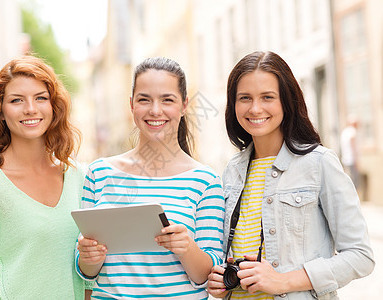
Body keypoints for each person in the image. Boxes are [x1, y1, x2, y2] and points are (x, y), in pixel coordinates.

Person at [207, 51, 374, 299]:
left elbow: (361, 256)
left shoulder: (319, 163)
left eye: (267, 97)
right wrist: (219, 280)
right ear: (233, 105)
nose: (255, 108)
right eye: (245, 98)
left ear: (286, 101)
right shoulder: (231, 171)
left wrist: (283, 281)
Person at [76, 57, 225, 299]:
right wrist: (88, 257)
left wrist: (187, 248)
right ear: (131, 105)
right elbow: (86, 272)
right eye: (144, 100)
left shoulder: (205, 181)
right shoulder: (99, 173)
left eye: (167, 100)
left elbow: (207, 276)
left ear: (184, 105)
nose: (155, 110)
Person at [0, 55, 91, 299]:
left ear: (54, 107)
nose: (30, 108)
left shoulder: (78, 177)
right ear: (1, 112)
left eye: (41, 98)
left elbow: (90, 277)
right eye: (17, 100)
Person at [340, 115, 360, 188]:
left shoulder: (344, 132)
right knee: (354, 181)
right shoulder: (352, 131)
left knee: (348, 179)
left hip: (345, 159)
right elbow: (353, 146)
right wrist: (356, 160)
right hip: (351, 160)